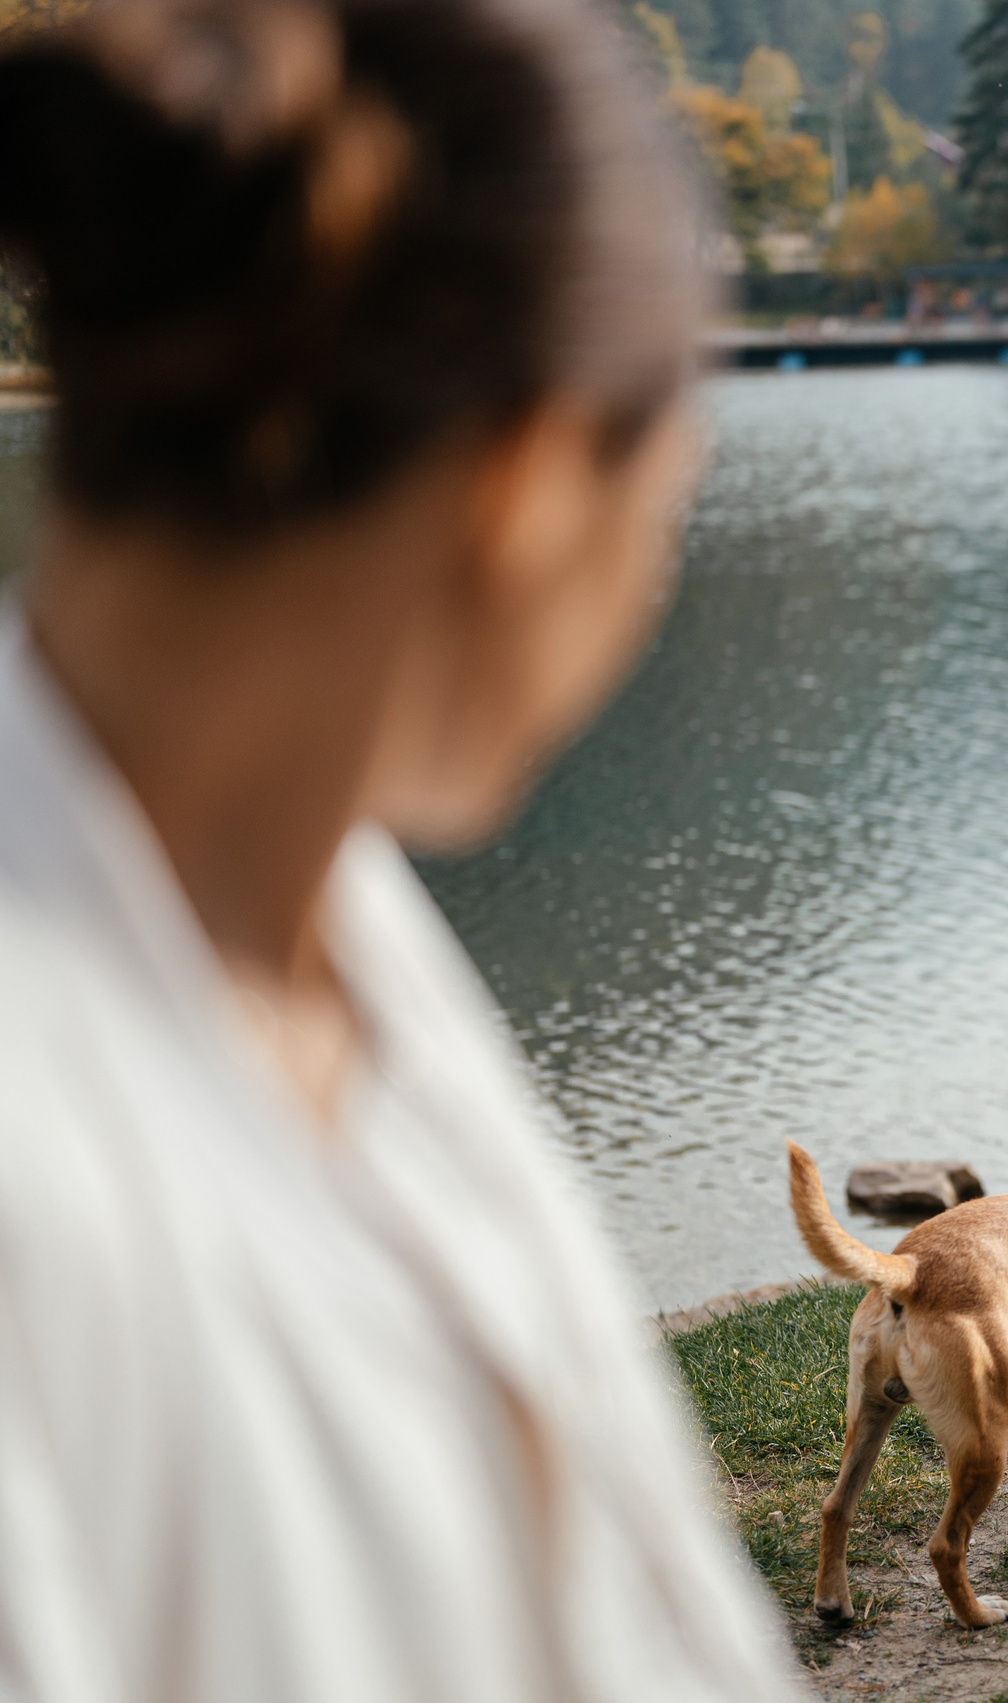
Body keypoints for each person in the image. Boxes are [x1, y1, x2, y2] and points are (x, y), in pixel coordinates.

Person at [0, 1, 803, 1697]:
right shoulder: (40, 1163)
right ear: (528, 486)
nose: (650, 590)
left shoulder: (322, 920)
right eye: (666, 508)